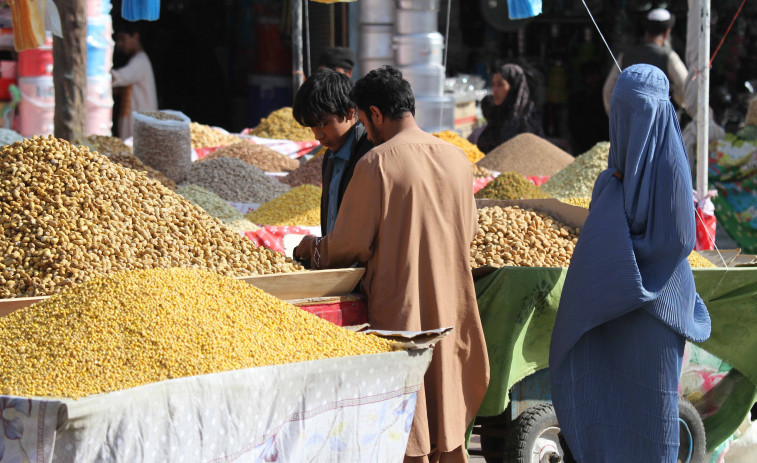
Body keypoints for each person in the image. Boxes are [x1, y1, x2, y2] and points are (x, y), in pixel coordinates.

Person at [294, 66, 489, 463]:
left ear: (375, 115)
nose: (366, 129)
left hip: (401, 310)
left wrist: (308, 250)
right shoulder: (456, 158)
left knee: (407, 425)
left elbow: (347, 246)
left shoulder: (376, 164)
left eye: (365, 119)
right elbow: (467, 232)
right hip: (452, 305)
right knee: (445, 417)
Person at [549, 64, 711, 461]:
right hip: (610, 313)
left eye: (641, 113)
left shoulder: (668, 173)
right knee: (603, 405)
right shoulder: (610, 180)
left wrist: (623, 268)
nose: (632, 125)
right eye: (624, 114)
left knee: (650, 418)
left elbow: (678, 239)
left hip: (654, 319)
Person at [292, 68, 374, 235]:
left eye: (323, 124)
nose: (318, 136)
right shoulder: (330, 154)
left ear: (349, 112)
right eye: (312, 128)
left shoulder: (371, 154)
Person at [602, 8, 688, 114]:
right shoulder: (668, 56)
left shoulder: (626, 56)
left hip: (631, 123)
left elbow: (609, 89)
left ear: (646, 31)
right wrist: (678, 102)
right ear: (667, 33)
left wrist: (616, 116)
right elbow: (685, 85)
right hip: (660, 122)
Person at [476, 63, 544, 155]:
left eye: (500, 85)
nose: (494, 90)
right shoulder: (497, 114)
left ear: (513, 87)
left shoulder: (527, 118)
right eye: (493, 84)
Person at [111, 22, 158, 140]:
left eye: (123, 39)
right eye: (118, 40)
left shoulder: (140, 61)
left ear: (135, 37)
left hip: (140, 121)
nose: (120, 44)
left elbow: (118, 77)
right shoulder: (136, 60)